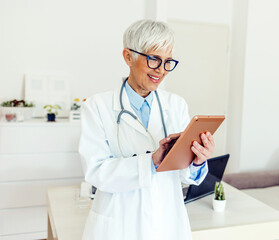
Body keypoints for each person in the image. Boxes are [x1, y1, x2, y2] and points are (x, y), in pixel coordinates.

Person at [79, 19, 215, 240]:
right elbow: (95, 172)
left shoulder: (176, 105)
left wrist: (198, 160)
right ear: (128, 57)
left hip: (166, 222)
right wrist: (151, 161)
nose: (161, 70)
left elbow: (184, 174)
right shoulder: (97, 106)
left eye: (167, 62)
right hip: (118, 223)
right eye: (154, 60)